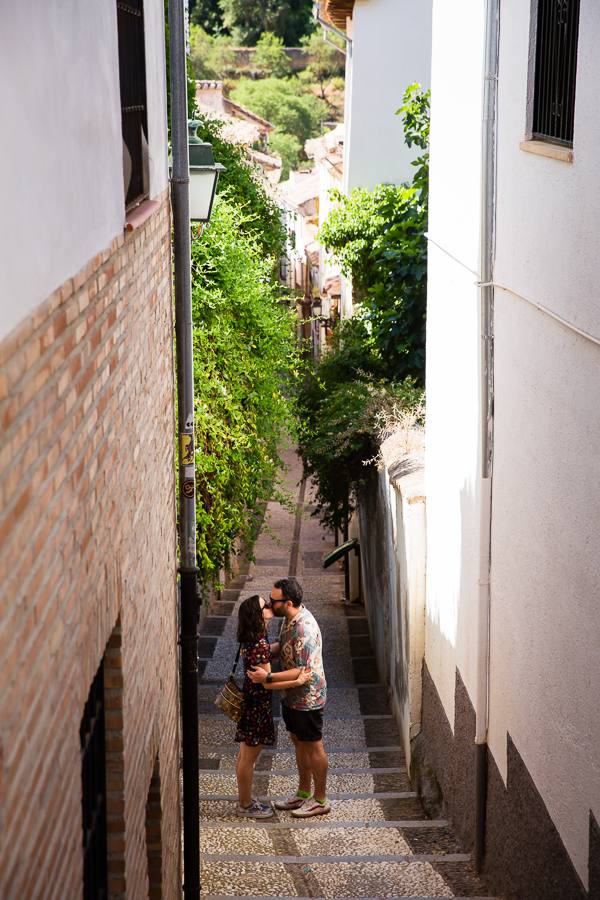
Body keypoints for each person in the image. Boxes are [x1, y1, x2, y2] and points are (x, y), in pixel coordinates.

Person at [248, 577, 330, 817]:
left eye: (273, 600)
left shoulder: (304, 627)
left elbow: (301, 670)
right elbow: (283, 648)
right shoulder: (288, 620)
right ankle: (304, 793)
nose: (270, 604)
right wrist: (256, 650)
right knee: (299, 744)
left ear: (289, 602)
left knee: (313, 746)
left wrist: (268, 678)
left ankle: (320, 799)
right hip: (290, 696)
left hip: (307, 698)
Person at [234, 594, 310, 818]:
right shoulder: (258, 642)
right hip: (257, 705)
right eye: (264, 606)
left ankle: (244, 800)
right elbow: (268, 682)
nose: (269, 606)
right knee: (248, 757)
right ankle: (245, 805)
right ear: (257, 615)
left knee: (244, 755)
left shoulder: (253, 639)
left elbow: (266, 661)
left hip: (251, 702)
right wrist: (296, 681)